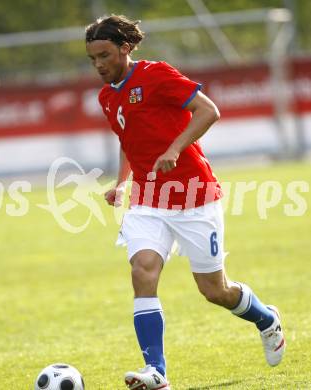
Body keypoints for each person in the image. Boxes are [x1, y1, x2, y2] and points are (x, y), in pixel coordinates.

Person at [85, 14, 286, 390]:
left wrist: (175, 148)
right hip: (147, 199)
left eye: (105, 55)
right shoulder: (106, 96)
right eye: (93, 58)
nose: (98, 64)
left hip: (194, 195)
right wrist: (121, 183)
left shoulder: (157, 74)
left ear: (125, 49)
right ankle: (157, 373)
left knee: (215, 291)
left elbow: (209, 110)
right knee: (142, 270)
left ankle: (266, 319)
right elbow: (129, 142)